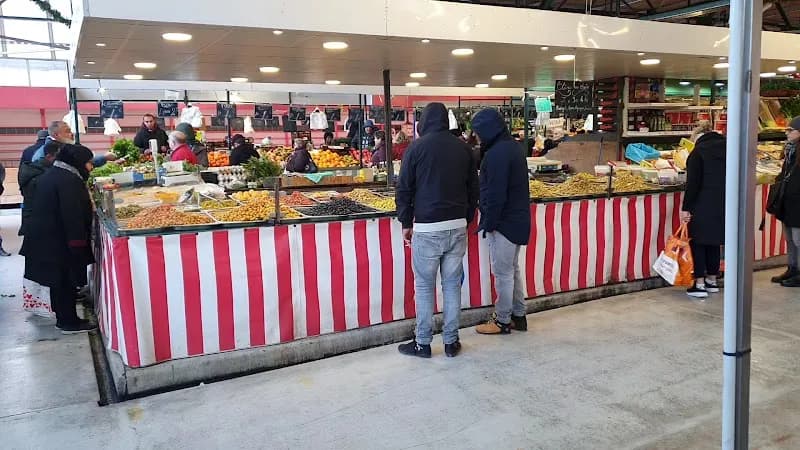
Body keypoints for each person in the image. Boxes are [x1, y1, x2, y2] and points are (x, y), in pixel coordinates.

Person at [395, 102, 479, 358]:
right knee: (452, 286)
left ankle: (423, 344)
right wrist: (465, 219)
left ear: (424, 122)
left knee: (424, 287)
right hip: (456, 227)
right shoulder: (463, 149)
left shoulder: (416, 148)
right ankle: (451, 343)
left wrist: (406, 222)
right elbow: (473, 190)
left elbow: (404, 188)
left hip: (427, 228)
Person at [20, 144, 96, 333]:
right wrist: (78, 245)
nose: (90, 167)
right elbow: (72, 215)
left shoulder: (57, 173)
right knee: (64, 281)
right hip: (56, 241)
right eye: (88, 162)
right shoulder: (68, 181)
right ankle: (68, 322)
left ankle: (65, 318)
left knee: (60, 281)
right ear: (77, 162)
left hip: (48, 238)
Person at [469, 108, 532, 335]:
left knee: (504, 273)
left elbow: (495, 195)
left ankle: (503, 320)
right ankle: (519, 316)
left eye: (477, 132)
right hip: (517, 220)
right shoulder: (512, 147)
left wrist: (489, 222)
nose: (476, 136)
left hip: (505, 222)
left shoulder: (497, 154)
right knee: (512, 271)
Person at [680, 121, 726, 298]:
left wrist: (686, 208)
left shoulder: (697, 153)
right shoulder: (729, 149)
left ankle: (699, 283)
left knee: (698, 243)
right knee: (714, 242)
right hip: (722, 204)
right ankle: (712, 280)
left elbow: (693, 184)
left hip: (701, 204)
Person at [772, 116, 800, 287]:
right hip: (786, 201)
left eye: (791, 130)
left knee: (798, 239)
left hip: (797, 203)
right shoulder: (790, 150)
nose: (787, 133)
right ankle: (792, 268)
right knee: (789, 238)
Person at [18, 140, 62, 236]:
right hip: (38, 224)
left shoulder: (35, 169)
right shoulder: (42, 175)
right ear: (49, 157)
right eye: (59, 157)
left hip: (33, 221)